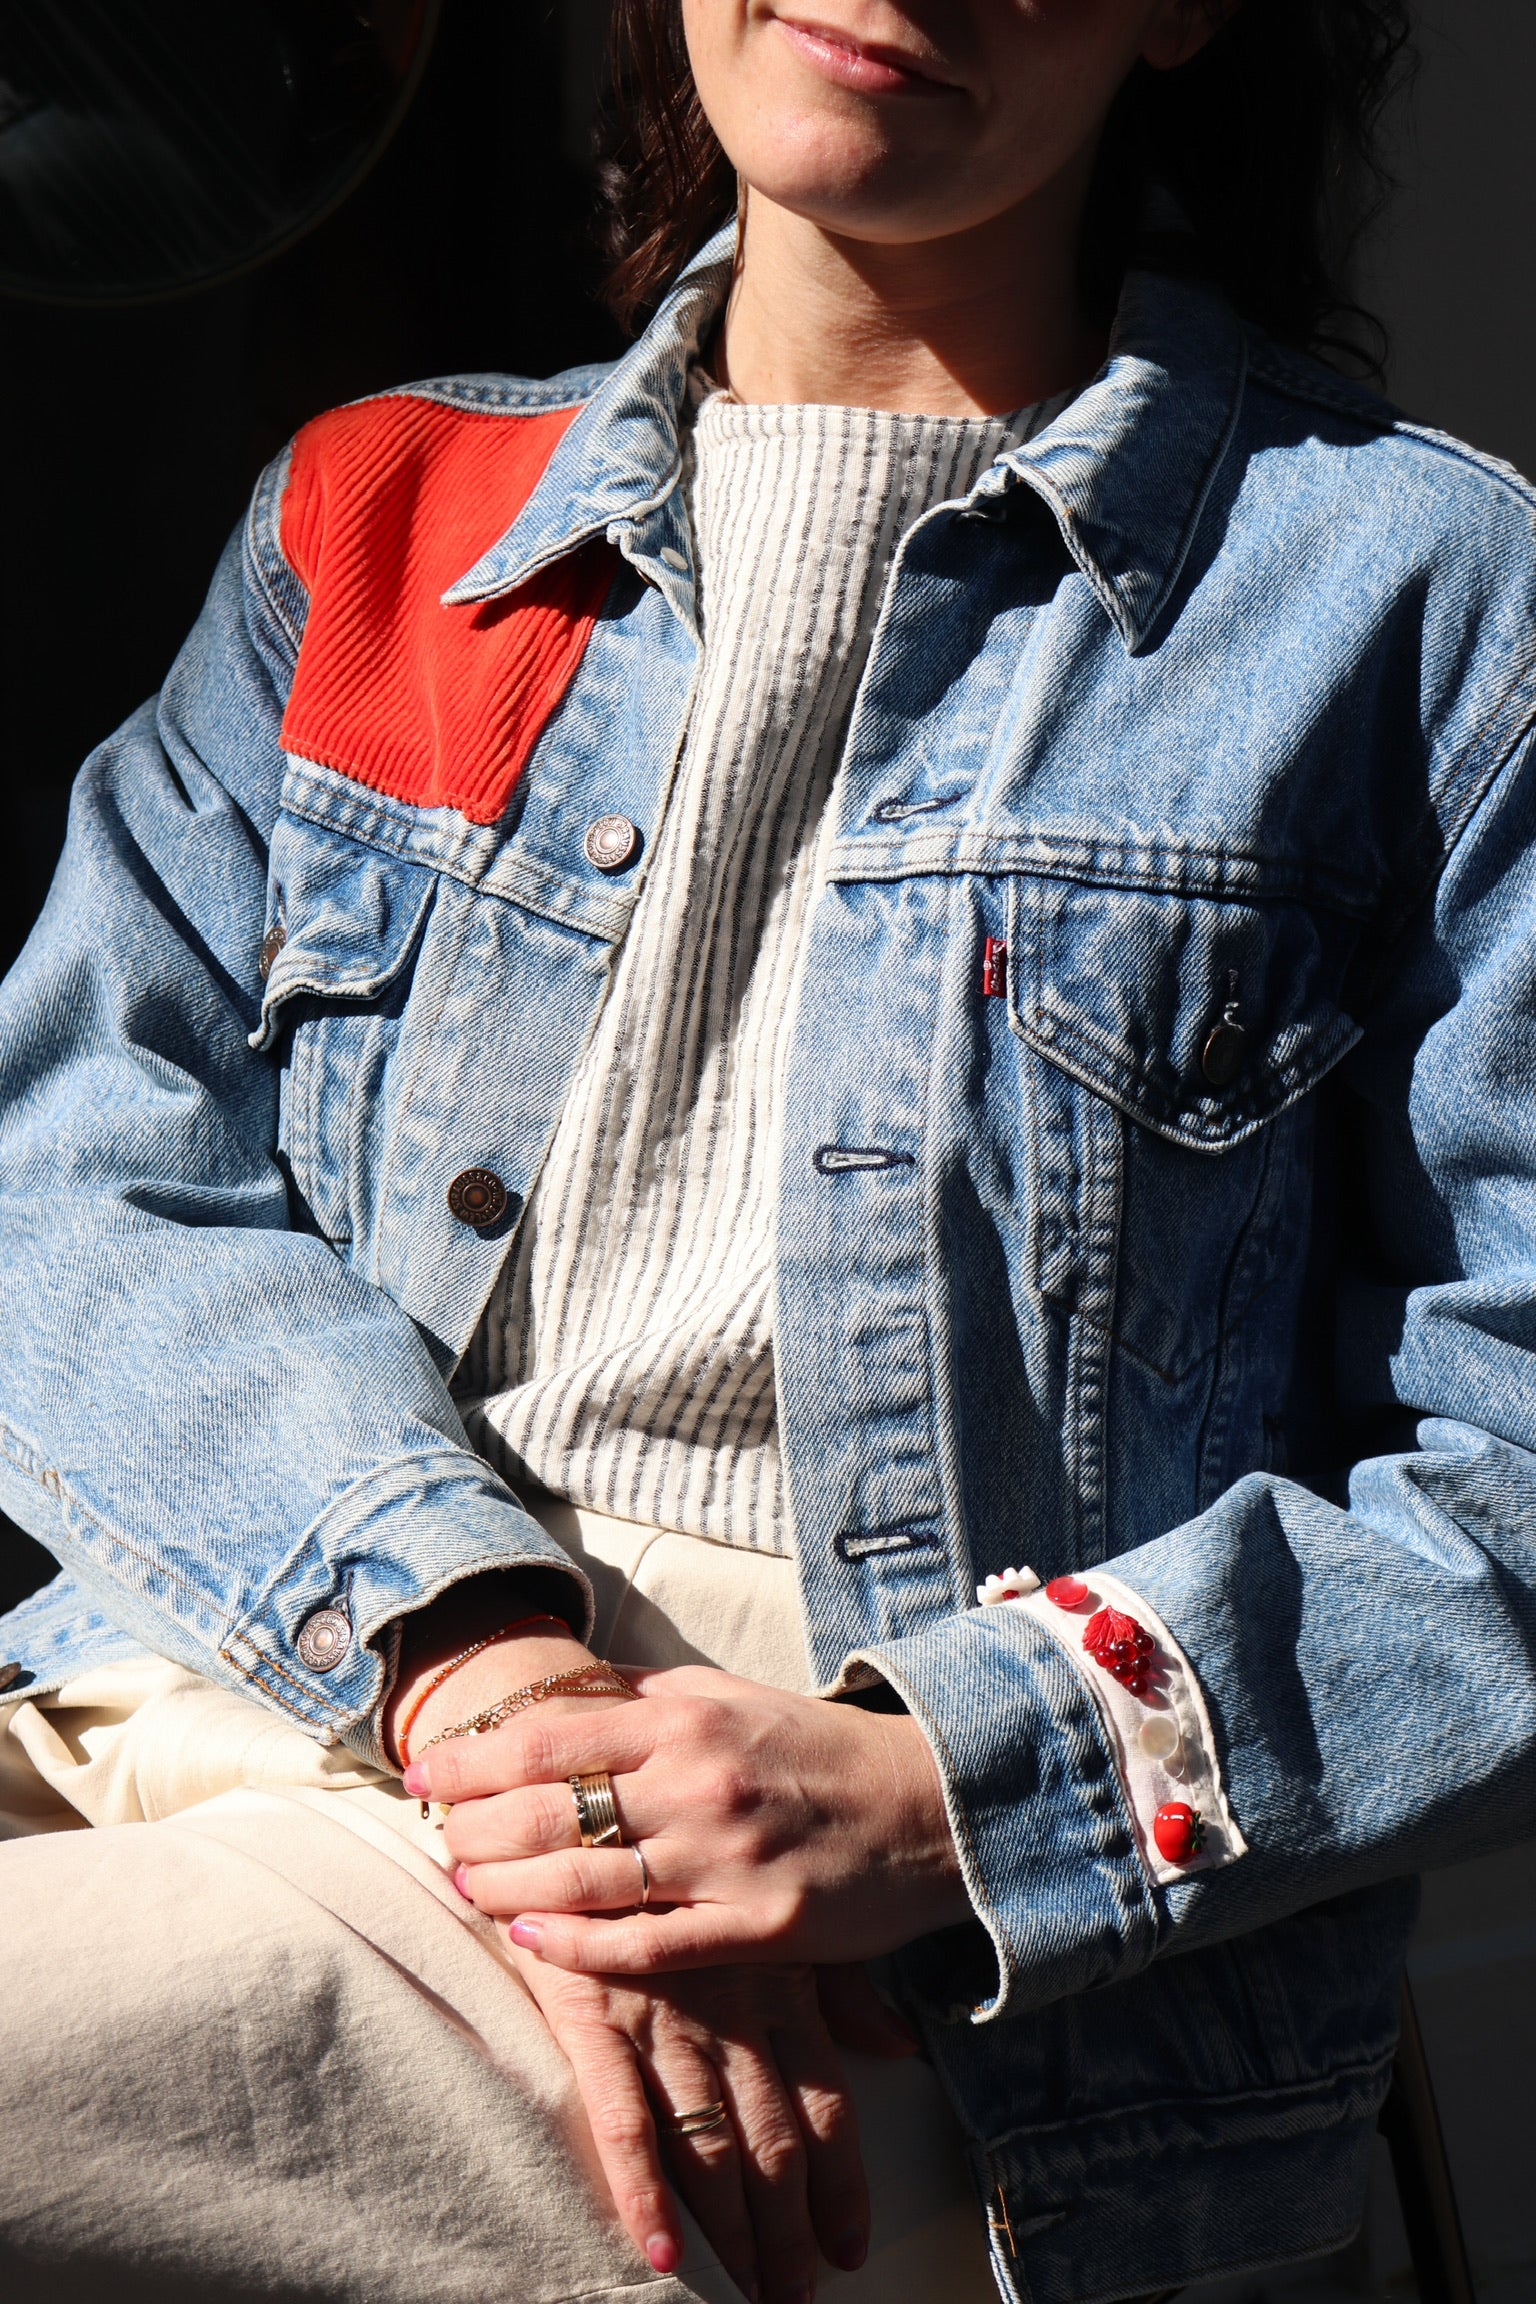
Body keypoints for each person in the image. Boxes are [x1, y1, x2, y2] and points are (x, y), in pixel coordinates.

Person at [4, 0, 1532, 2300]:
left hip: (897, 1941)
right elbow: (69, 1160)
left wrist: (935, 1787)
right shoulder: (381, 514)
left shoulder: (1411, 601)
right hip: (268, 1654)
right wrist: (484, 1665)